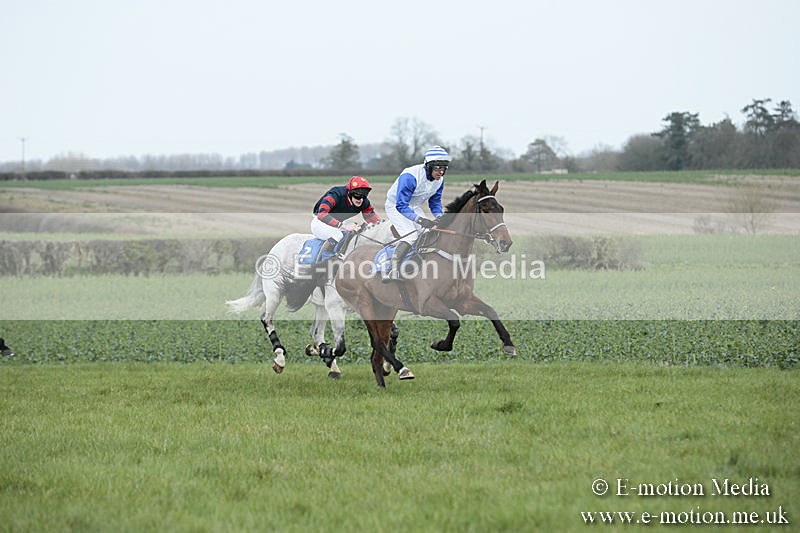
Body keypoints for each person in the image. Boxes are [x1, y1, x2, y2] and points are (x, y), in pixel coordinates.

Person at [383, 145, 451, 281]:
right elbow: (401, 205)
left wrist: (440, 218)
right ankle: (391, 269)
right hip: (395, 207)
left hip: (413, 206)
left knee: (427, 234)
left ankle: (418, 265)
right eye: (438, 168)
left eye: (444, 168)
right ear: (428, 166)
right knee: (411, 236)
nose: (441, 172)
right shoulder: (410, 176)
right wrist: (420, 220)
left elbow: (435, 203)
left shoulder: (440, 181)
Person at [311, 175, 381, 256]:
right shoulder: (335, 194)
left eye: (364, 195)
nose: (360, 199)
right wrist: (343, 226)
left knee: (357, 231)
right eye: (357, 195)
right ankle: (324, 260)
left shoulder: (364, 202)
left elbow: (374, 220)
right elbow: (322, 215)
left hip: (339, 223)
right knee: (337, 235)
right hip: (320, 222)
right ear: (350, 193)